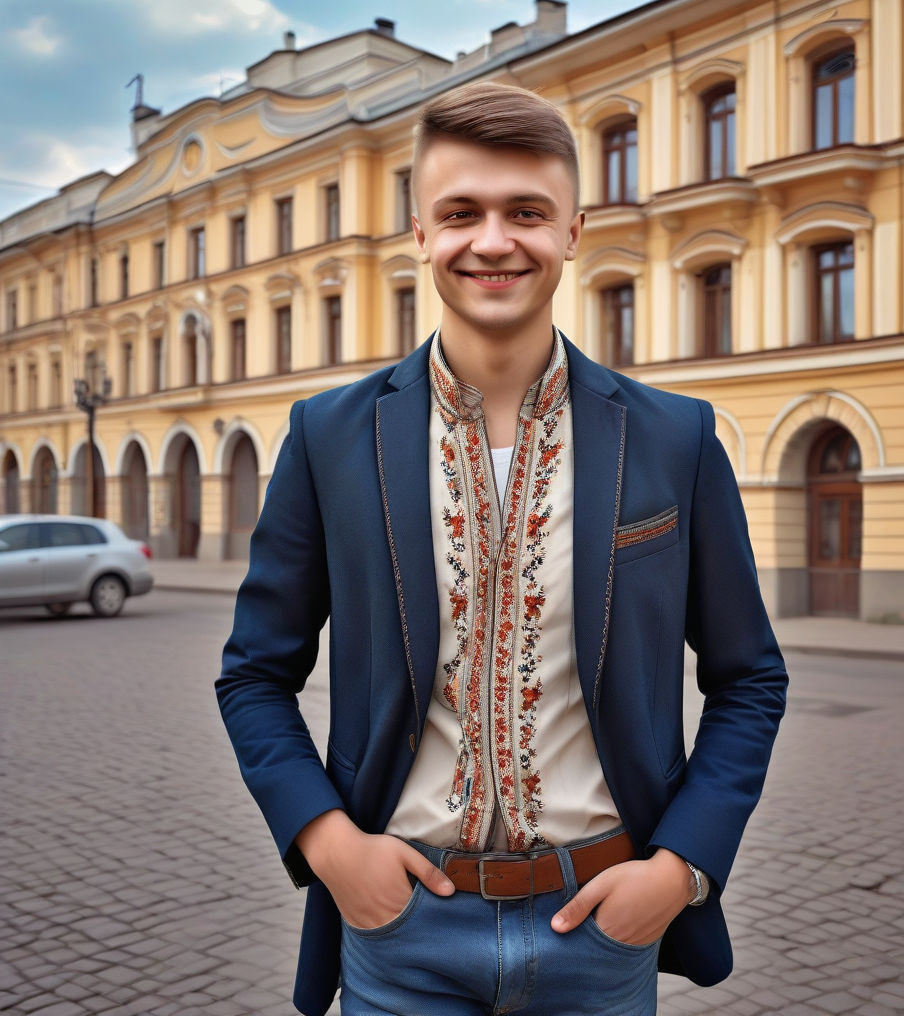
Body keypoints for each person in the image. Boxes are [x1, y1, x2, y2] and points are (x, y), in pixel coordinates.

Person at [217, 81, 787, 1016]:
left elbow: (749, 677)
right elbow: (253, 674)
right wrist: (330, 845)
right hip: (400, 934)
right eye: (460, 213)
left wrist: (680, 869)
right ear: (419, 233)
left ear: (573, 231)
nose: (492, 241)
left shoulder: (674, 439)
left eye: (526, 212)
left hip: (601, 928)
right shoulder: (329, 437)